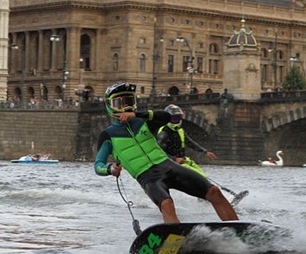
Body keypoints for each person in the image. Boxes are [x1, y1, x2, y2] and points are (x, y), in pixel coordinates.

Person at [94, 82, 238, 223]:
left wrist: (136, 114)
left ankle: (239, 231)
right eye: (120, 103)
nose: (126, 106)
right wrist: (110, 169)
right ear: (110, 106)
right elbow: (98, 165)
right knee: (167, 205)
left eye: (129, 101)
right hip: (148, 177)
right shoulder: (108, 135)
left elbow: (166, 116)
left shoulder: (143, 122)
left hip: (168, 166)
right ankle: (176, 239)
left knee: (214, 192)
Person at [156, 104, 216, 178]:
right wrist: (174, 159)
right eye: (174, 119)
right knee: (198, 177)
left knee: (203, 176)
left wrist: (205, 151)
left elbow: (190, 143)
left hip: (183, 161)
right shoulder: (164, 132)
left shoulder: (180, 130)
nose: (176, 121)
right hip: (171, 164)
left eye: (178, 118)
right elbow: (159, 152)